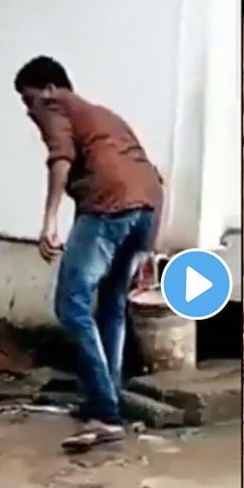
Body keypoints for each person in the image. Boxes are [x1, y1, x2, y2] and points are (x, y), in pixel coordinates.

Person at [14, 56, 163, 451]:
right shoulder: (102, 115)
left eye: (28, 100)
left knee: (71, 303)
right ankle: (106, 398)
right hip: (146, 205)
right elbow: (146, 169)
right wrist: (148, 246)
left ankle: (104, 412)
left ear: (49, 89)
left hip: (109, 203)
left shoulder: (55, 105)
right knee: (111, 304)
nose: (29, 111)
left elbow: (60, 157)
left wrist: (49, 220)